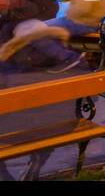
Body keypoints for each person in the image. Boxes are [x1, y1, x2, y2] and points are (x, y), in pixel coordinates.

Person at [0, 12, 92, 181]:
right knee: (46, 114)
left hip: (10, 133)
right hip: (64, 126)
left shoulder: (8, 68)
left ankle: (4, 176)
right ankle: (37, 163)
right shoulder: (74, 62)